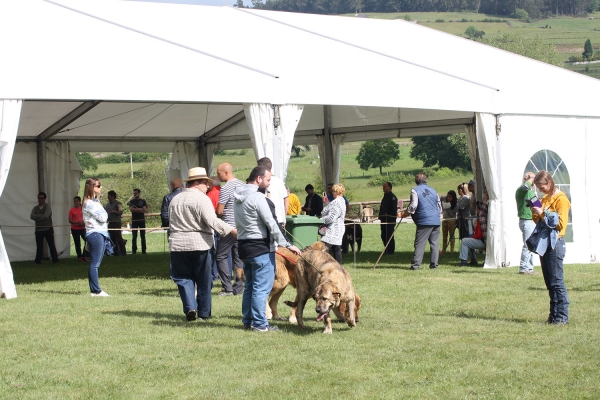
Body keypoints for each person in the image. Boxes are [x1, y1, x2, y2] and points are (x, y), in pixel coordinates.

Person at [233, 165, 301, 332]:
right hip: (260, 248)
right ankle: (259, 323)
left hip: (244, 247)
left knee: (250, 286)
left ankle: (248, 320)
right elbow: (271, 223)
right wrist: (287, 244)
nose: (269, 184)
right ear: (258, 179)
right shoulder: (258, 198)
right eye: (268, 180)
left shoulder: (238, 197)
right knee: (261, 288)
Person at [168, 167, 236, 322]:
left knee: (183, 278)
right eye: (206, 183)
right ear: (197, 183)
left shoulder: (175, 199)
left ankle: (190, 308)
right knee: (203, 280)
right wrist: (231, 230)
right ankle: (204, 313)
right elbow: (212, 221)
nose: (208, 186)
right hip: (200, 244)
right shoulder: (202, 199)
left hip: (178, 245)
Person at [531, 171, 571, 325]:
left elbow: (560, 224)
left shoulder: (561, 199)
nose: (540, 190)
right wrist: (535, 211)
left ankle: (562, 317)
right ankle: (553, 316)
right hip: (544, 243)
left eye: (542, 187)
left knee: (557, 282)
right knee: (549, 282)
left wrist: (542, 213)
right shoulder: (546, 198)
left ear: (548, 182)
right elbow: (541, 222)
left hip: (555, 244)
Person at [401, 173, 442, 270]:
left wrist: (406, 213)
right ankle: (434, 265)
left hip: (424, 221)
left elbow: (414, 204)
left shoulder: (414, 190)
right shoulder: (434, 190)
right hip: (436, 220)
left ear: (416, 181)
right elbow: (439, 206)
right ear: (425, 180)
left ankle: (415, 265)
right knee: (434, 244)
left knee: (420, 243)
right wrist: (437, 215)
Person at [215, 163, 245, 296]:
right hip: (241, 226)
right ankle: (238, 287)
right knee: (239, 258)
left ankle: (227, 287)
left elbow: (220, 211)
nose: (217, 175)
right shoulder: (242, 185)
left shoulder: (226, 188)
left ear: (226, 173)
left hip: (228, 227)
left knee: (221, 256)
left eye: (218, 173)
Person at [82, 178, 111, 297]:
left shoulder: (95, 201)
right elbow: (103, 217)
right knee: (95, 263)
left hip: (100, 233)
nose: (101, 188)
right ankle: (96, 290)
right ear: (92, 187)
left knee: (96, 262)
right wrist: (105, 213)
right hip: (95, 233)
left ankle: (94, 290)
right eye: (99, 186)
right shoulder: (89, 203)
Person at [257, 157, 289, 227]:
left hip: (270, 220)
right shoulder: (279, 181)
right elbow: (286, 201)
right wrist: (284, 218)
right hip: (280, 220)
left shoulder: (264, 182)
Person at [458, 193, 488, 266]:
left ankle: (464, 261)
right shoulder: (482, 218)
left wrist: (473, 237)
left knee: (465, 241)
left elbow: (480, 234)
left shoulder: (481, 219)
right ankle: (473, 259)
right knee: (469, 241)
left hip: (482, 241)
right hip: (483, 240)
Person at [516, 172, 537, 275]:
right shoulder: (521, 191)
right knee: (527, 245)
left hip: (531, 220)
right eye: (532, 178)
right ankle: (523, 268)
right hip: (526, 220)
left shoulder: (531, 193)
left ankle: (529, 268)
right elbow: (525, 186)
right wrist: (531, 178)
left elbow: (538, 206)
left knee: (531, 244)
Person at [320, 183, 346, 264]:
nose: (332, 192)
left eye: (333, 191)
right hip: (339, 228)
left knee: (324, 250)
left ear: (336, 191)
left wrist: (321, 220)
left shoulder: (336, 203)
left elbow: (331, 217)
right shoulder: (342, 201)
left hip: (333, 230)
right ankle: (339, 269)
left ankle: (324, 266)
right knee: (336, 249)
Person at [30, 191, 59, 264]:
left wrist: (37, 217)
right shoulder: (35, 208)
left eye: (42, 198)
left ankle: (55, 260)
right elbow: (32, 216)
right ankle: (37, 261)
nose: (40, 200)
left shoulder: (47, 206)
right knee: (39, 247)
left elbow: (46, 215)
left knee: (51, 245)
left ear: (44, 199)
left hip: (48, 229)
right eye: (39, 198)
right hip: (38, 229)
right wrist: (41, 215)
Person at [378, 181, 398, 255]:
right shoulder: (385, 196)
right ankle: (386, 249)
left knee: (389, 236)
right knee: (383, 235)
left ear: (389, 187)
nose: (383, 188)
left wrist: (390, 218)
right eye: (383, 187)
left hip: (389, 220)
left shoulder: (392, 197)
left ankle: (390, 251)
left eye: (385, 187)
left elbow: (393, 210)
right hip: (383, 219)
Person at [105, 190, 127, 257]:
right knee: (112, 238)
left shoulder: (118, 203)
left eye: (109, 196)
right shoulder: (107, 204)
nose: (108, 197)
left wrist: (114, 212)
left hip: (116, 223)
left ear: (112, 196)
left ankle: (123, 252)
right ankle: (115, 253)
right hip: (110, 223)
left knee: (119, 238)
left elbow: (120, 212)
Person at [69, 196, 88, 262]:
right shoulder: (72, 210)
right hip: (75, 229)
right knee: (77, 243)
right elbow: (70, 220)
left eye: (77, 201)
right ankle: (79, 256)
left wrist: (84, 222)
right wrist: (78, 222)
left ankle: (84, 255)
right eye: (74, 201)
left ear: (79, 201)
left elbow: (86, 217)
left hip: (82, 228)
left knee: (87, 241)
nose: (75, 202)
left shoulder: (83, 209)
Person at [128, 188, 147, 254]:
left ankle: (144, 250)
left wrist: (136, 209)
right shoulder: (132, 201)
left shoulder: (143, 201)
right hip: (134, 221)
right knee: (134, 236)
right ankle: (134, 250)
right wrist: (139, 209)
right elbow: (131, 209)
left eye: (136, 193)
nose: (134, 194)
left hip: (141, 220)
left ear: (139, 193)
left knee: (143, 236)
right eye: (134, 193)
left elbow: (144, 210)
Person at [440, 190, 458, 255]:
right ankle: (443, 249)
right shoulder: (444, 198)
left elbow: (452, 214)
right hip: (445, 219)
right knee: (444, 235)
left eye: (450, 197)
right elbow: (440, 198)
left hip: (451, 220)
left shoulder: (456, 204)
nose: (448, 198)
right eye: (448, 196)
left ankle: (452, 250)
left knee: (451, 235)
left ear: (453, 198)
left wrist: (448, 207)